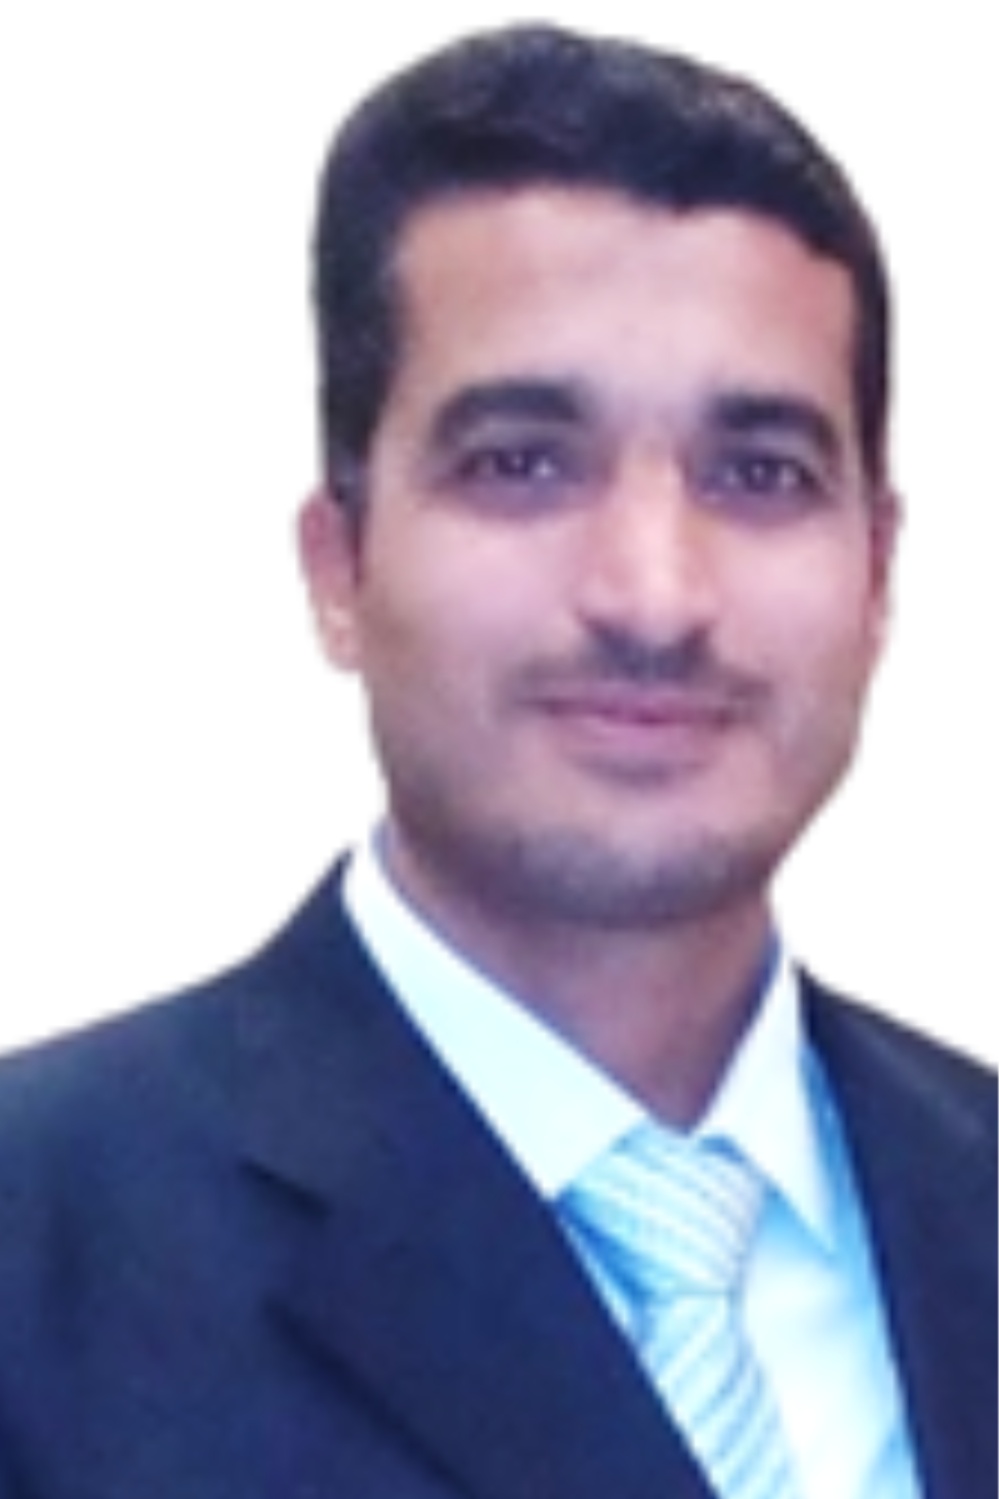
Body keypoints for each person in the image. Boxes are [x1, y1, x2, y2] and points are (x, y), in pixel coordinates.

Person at [0, 22, 993, 1499]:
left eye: (760, 473)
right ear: (338, 566)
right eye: (522, 462)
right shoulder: (40, 1260)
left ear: (878, 572)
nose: (654, 595)